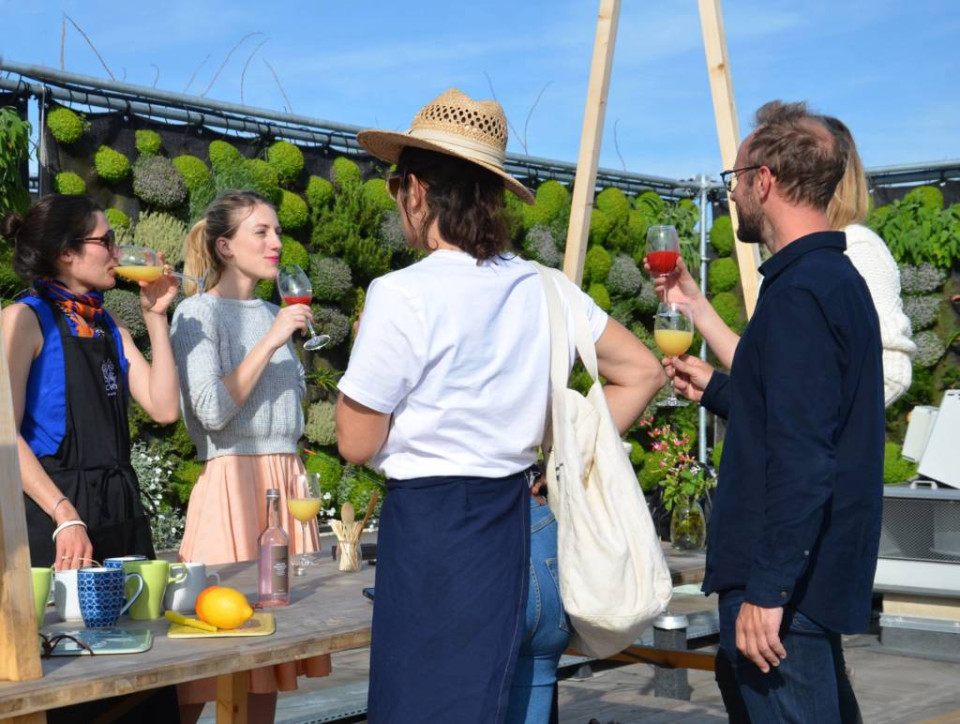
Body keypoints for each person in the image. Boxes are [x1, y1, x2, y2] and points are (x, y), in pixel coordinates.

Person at [336, 88, 665, 724]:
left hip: (435, 538)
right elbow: (643, 372)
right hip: (522, 529)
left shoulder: (401, 293)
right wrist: (558, 456)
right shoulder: (546, 287)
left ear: (418, 192)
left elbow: (355, 440)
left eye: (394, 185)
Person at [664, 102, 884, 723]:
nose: (731, 192)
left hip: (785, 597)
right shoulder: (832, 280)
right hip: (804, 586)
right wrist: (716, 388)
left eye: (734, 178)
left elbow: (804, 459)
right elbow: (804, 420)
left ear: (764, 180)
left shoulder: (800, 296)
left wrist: (768, 592)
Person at [1, 194, 181, 723]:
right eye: (106, 241)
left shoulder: (106, 324)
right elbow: (4, 437)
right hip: (56, 522)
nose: (117, 252)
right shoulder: (21, 320)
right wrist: (64, 515)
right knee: (72, 690)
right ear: (65, 253)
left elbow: (164, 407)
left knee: (141, 688)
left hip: (120, 515)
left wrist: (155, 319)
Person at [171, 191, 328, 723]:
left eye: (277, 230)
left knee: (271, 663)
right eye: (261, 231)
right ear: (225, 245)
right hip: (232, 488)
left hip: (286, 485)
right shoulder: (196, 313)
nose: (277, 242)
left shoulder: (273, 311)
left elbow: (286, 413)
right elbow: (212, 411)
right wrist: (272, 340)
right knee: (203, 666)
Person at [653, 116, 915, 407]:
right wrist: (719, 390)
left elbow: (892, 373)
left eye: (740, 177)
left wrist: (821, 434)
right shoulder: (791, 264)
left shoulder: (855, 249)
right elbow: (775, 375)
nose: (735, 193)